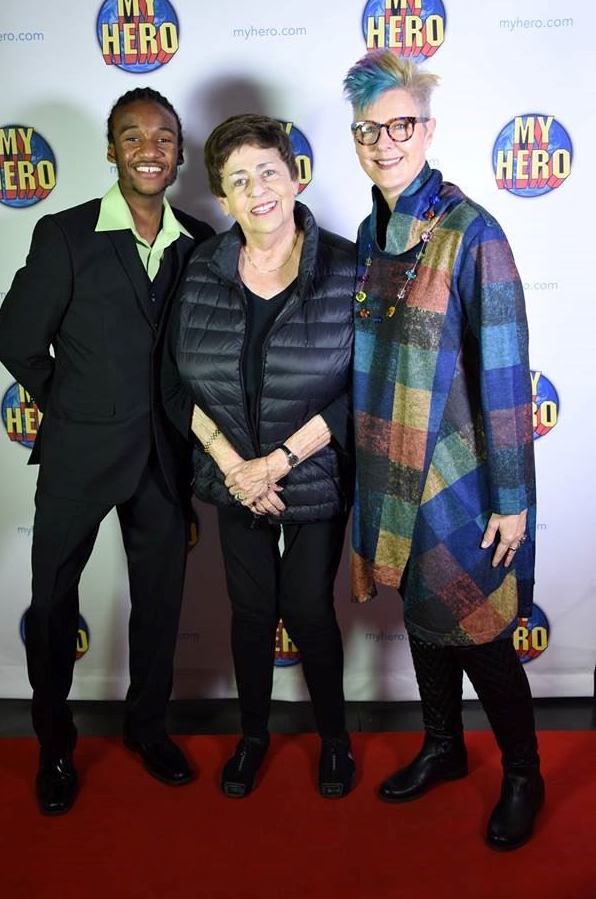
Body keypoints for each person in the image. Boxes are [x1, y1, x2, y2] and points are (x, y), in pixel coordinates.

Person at [0, 87, 213, 816]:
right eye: (132, 136)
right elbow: (14, 339)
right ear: (112, 149)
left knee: (159, 605)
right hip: (78, 457)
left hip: (163, 458)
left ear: (180, 151)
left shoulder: (201, 241)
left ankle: (148, 729)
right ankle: (54, 746)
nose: (149, 149)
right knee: (53, 604)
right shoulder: (65, 234)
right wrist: (77, 406)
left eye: (164, 137)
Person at [343, 50, 543, 850]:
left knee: (480, 631)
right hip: (388, 470)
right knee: (423, 617)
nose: (384, 142)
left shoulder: (473, 233)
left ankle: (523, 772)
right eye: (369, 129)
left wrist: (513, 498)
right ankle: (443, 746)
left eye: (400, 125)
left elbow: (503, 376)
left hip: (458, 480)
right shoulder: (370, 229)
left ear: (427, 130)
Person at [166, 114, 356, 799]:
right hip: (234, 479)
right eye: (238, 180)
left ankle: (336, 739)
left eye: (267, 171)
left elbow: (361, 390)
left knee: (307, 610)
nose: (257, 190)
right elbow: (174, 382)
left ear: (295, 176)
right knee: (250, 612)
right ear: (222, 197)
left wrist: (276, 461)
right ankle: (253, 737)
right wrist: (232, 466)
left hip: (311, 472)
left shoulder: (344, 265)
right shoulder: (201, 268)